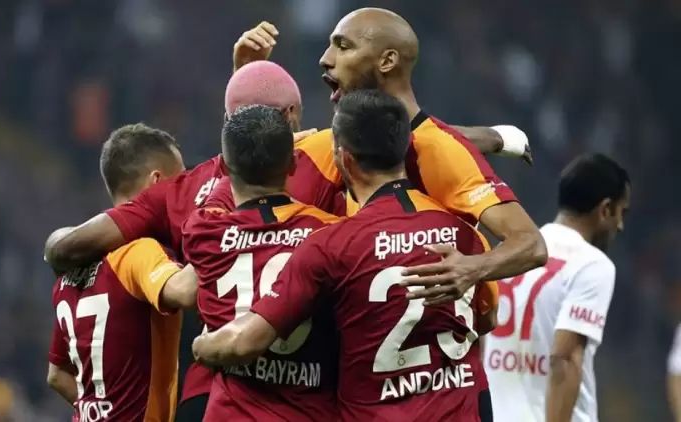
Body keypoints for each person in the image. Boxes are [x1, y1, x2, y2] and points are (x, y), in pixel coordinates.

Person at [193, 90, 496, 422]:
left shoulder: (332, 244)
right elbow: (487, 321)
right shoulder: (468, 236)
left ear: (344, 159)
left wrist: (202, 346)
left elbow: (246, 343)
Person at [231, 11, 547, 303]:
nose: (325, 59)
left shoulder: (444, 153)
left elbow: (530, 244)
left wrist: (472, 268)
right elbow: (242, 173)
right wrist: (245, 80)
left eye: (343, 46)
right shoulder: (331, 144)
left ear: (387, 61)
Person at [182, 104, 343, 421]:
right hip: (308, 413)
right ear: (293, 164)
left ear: (225, 168)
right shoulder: (329, 233)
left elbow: (216, 200)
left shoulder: (202, 232)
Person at [46, 124, 199, 421]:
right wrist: (216, 232)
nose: (187, 193)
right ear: (157, 182)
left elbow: (56, 374)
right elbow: (185, 290)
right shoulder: (139, 252)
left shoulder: (69, 270)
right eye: (181, 181)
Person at [483, 153, 630, 422]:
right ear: (606, 209)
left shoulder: (511, 251)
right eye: (622, 213)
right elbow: (564, 357)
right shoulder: (592, 264)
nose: (620, 226)